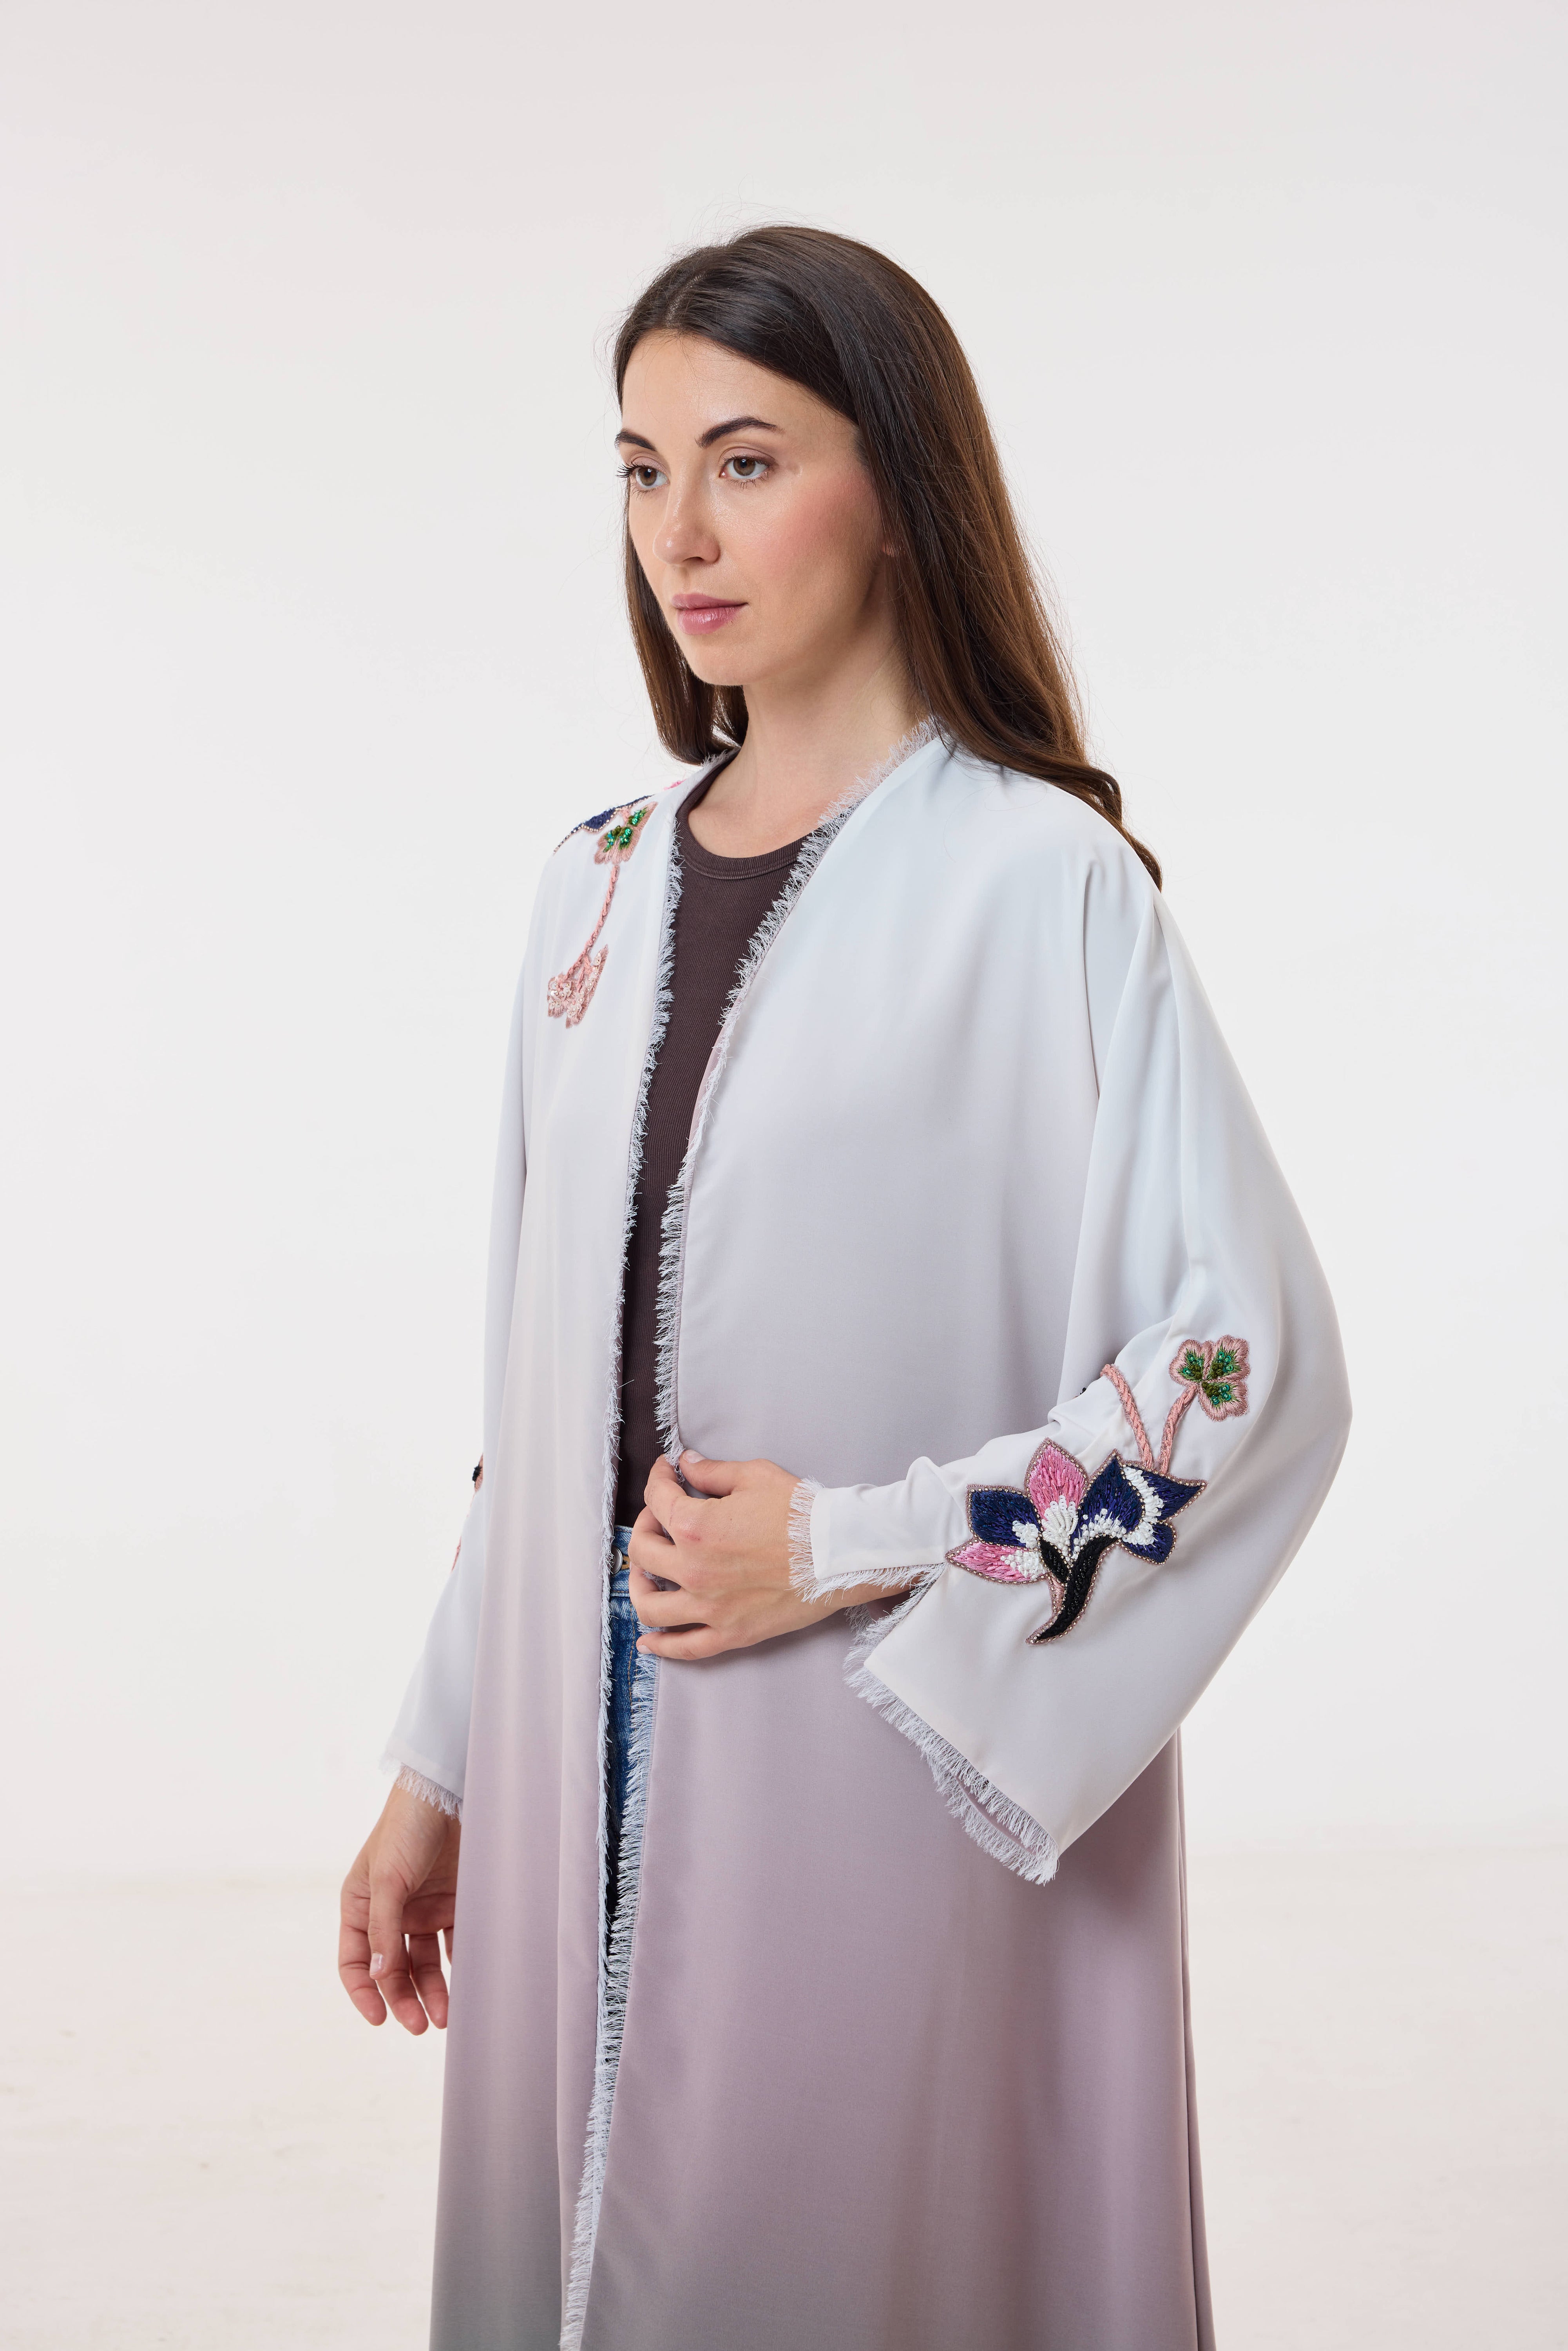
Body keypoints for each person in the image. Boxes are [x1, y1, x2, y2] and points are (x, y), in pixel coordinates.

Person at [339, 225, 1350, 2351]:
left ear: (891, 484)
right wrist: (443, 1761)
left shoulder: (1040, 885)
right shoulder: (590, 891)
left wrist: (856, 1541)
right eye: (641, 471)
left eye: (745, 461)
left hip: (889, 1747)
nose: (679, 535)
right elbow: (538, 1406)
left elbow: (1236, 1367)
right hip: (574, 1737)